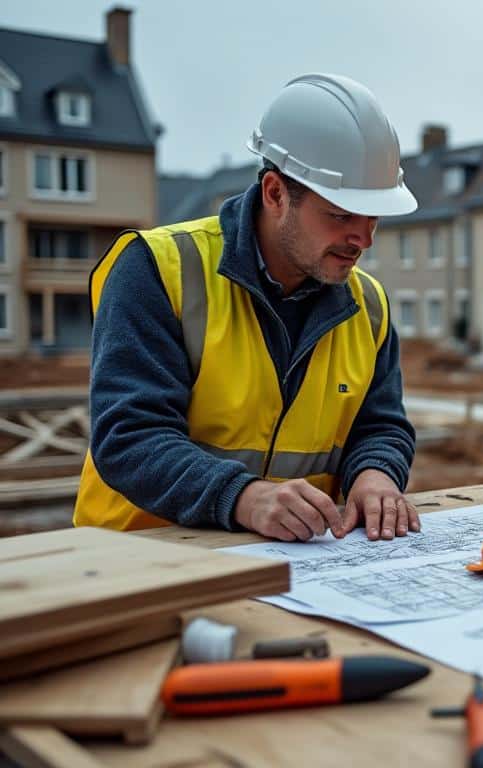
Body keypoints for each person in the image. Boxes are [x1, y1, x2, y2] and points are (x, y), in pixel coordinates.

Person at [75, 73, 420, 542]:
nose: (364, 238)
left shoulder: (369, 305)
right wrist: (244, 497)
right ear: (275, 193)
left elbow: (380, 424)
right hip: (139, 556)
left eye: (373, 216)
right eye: (341, 215)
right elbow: (130, 437)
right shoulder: (159, 269)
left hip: (289, 566)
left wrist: (375, 473)